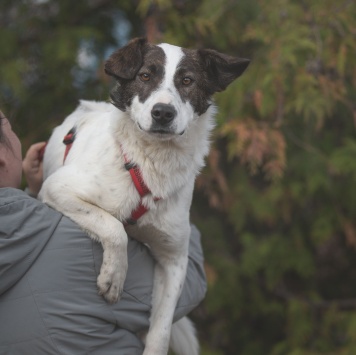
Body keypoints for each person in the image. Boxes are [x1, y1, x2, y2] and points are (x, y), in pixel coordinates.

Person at [0, 110, 207, 355]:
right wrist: (174, 208)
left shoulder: (33, 234)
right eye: (9, 129)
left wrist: (34, 193)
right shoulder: (78, 242)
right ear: (2, 157)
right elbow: (188, 284)